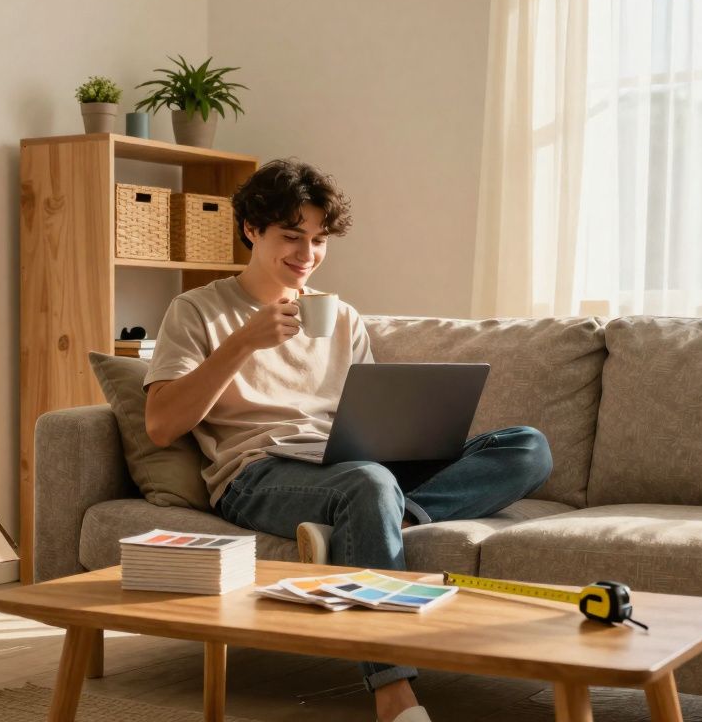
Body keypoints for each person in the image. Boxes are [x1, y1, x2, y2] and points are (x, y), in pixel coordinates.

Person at [144, 158, 553, 722]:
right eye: (291, 237)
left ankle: (389, 516)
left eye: (318, 240)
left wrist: (400, 440)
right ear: (251, 230)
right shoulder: (197, 311)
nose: (306, 255)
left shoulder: (342, 318)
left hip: (348, 462)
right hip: (259, 472)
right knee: (367, 483)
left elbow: (365, 410)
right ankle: (393, 692)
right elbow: (162, 423)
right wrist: (243, 344)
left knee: (527, 447)